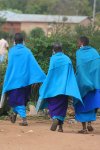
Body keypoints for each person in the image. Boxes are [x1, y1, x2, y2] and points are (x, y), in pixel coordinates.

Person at [0, 33, 46, 126]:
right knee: (21, 99)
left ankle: (24, 119)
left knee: (15, 100)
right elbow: (33, 65)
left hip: (14, 81)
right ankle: (14, 115)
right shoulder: (27, 51)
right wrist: (42, 76)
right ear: (23, 41)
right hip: (25, 81)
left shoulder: (12, 51)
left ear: (14, 41)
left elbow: (10, 66)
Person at [36, 43, 82, 132]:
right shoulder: (67, 59)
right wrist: (71, 86)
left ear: (53, 51)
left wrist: (46, 84)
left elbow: (51, 74)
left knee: (52, 105)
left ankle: (55, 118)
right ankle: (60, 127)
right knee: (62, 107)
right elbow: (70, 74)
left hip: (53, 88)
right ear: (62, 50)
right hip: (64, 88)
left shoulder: (53, 59)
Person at [75, 36, 100, 133]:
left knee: (82, 105)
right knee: (93, 103)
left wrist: (83, 80)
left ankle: (84, 128)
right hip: (95, 83)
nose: (77, 43)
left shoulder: (79, 53)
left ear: (81, 43)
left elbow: (80, 68)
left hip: (83, 84)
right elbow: (97, 67)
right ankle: (89, 123)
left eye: (78, 42)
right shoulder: (94, 52)